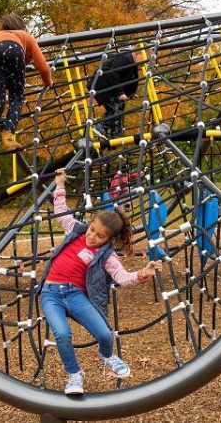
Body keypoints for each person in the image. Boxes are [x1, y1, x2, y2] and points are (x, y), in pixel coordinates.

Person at [39, 168, 161, 395]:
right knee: (62, 334)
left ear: (109, 239)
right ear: (89, 223)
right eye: (92, 230)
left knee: (105, 334)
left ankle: (107, 356)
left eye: (100, 236)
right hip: (51, 293)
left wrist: (142, 273)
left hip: (75, 294)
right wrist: (60, 184)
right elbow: (61, 211)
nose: (92, 237)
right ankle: (74, 374)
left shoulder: (107, 255)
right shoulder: (76, 229)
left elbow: (122, 278)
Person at [0, 15, 54, 177]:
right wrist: (48, 82)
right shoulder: (25, 36)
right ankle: (8, 136)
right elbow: (43, 67)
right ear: (22, 27)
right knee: (17, 97)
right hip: (13, 50)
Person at [87, 49, 145, 139]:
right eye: (144, 57)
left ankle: (104, 128)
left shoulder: (132, 65)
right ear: (137, 53)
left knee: (117, 106)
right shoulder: (125, 58)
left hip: (108, 85)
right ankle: (113, 132)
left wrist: (130, 94)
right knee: (116, 105)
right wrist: (120, 93)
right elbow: (114, 74)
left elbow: (132, 80)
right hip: (102, 84)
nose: (145, 61)